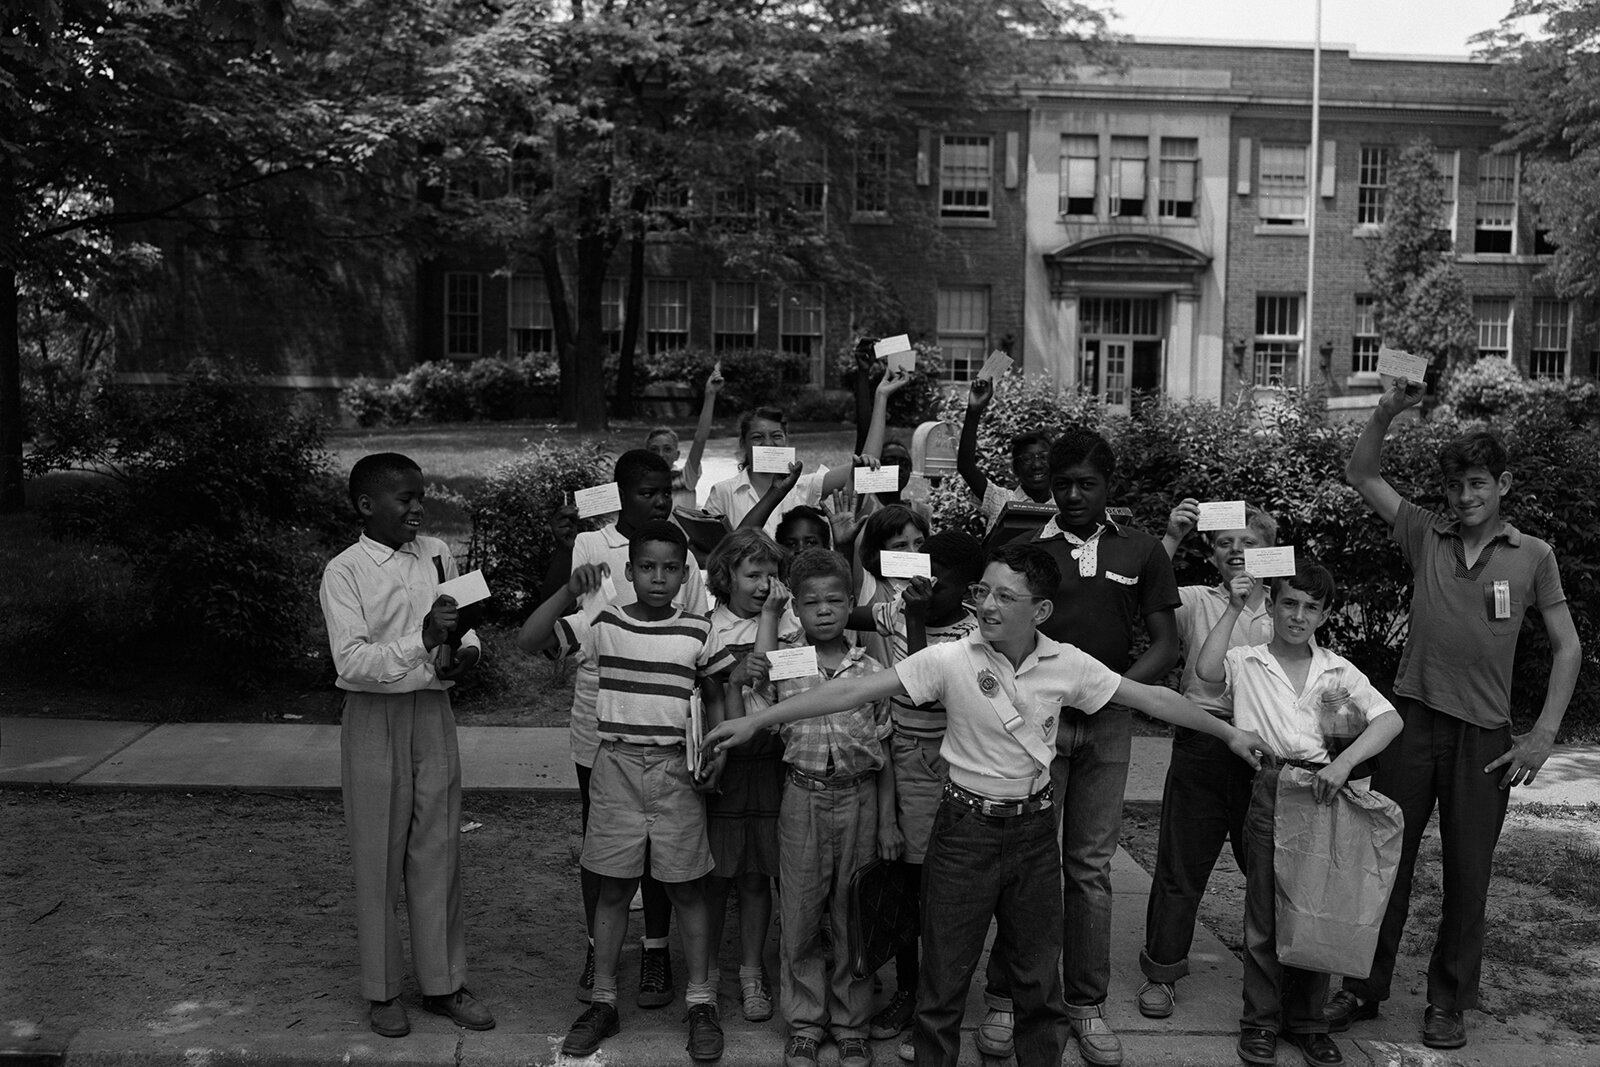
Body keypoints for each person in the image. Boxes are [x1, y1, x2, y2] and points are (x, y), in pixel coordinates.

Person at [703, 543, 1268, 1067]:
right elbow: (850, 691)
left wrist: (1228, 734)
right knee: (942, 982)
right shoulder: (949, 659)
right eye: (983, 592)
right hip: (963, 830)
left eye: (1004, 596)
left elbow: (1152, 698)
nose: (986, 606)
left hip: (1033, 835)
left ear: (1040, 610)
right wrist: (756, 718)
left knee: (1038, 980)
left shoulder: (1068, 663)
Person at [1331, 378, 1580, 1049]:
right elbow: (1361, 472)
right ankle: (1361, 985)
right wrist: (1388, 408)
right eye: (1455, 486)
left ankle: (1449, 1000)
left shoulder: (1533, 555)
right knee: (1386, 857)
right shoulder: (1423, 530)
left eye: (1477, 483)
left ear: (1502, 483)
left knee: (1469, 874)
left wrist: (1543, 735)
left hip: (1485, 740)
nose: (1464, 497)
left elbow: (1568, 644)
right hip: (1411, 722)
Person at [984, 426, 1181, 1067]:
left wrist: (1114, 692)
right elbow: (997, 636)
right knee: (1025, 865)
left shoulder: (1143, 550)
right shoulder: (1026, 551)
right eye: (1062, 483)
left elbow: (1163, 643)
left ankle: (1086, 1007)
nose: (1072, 495)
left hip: (1109, 724)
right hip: (1034, 725)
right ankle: (1008, 998)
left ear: (1108, 488)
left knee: (1090, 870)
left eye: (1086, 485)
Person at [518, 519, 734, 1063]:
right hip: (614, 767)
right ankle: (604, 999)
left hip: (677, 773)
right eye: (646, 567)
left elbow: (719, 694)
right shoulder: (603, 621)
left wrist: (719, 751)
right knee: (613, 887)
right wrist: (570, 590)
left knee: (686, 888)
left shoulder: (698, 631)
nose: (658, 578)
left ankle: (702, 1002)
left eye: (670, 569)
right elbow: (529, 640)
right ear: (629, 570)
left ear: (686, 575)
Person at [1195, 561, 1402, 1067]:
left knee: (1316, 906)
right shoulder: (1246, 660)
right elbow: (1204, 671)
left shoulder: (1337, 669)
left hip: (1324, 788)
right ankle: (1261, 1021)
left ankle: (1308, 1022)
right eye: (1289, 603)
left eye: (1311, 608)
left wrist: (1347, 762)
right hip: (1271, 785)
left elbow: (1390, 720)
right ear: (1272, 605)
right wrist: (1235, 605)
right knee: (1265, 912)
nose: (1298, 615)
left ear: (1325, 615)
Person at [318, 452, 495, 1038]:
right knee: (377, 854)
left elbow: (461, 623)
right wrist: (421, 640)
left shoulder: (437, 553)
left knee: (438, 848)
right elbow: (353, 661)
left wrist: (466, 650)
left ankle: (443, 984)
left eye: (421, 496)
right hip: (374, 718)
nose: (418, 507)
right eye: (404, 498)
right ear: (367, 506)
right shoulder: (344, 571)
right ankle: (382, 989)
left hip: (432, 713)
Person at [554, 449, 709, 1008]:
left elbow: (696, 643)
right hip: (603, 712)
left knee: (665, 855)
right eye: (647, 492)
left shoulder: (676, 549)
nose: (660, 500)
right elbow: (555, 618)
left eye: (665, 490)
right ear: (618, 494)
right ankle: (601, 951)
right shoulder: (594, 542)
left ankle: (656, 950)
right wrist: (566, 560)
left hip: (665, 719)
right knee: (607, 847)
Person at [740, 548, 892, 1067]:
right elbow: (755, 690)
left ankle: (852, 1024)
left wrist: (888, 820)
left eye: (834, 600)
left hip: (859, 798)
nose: (823, 610)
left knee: (853, 914)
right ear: (796, 611)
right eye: (810, 602)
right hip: (802, 797)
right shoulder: (787, 658)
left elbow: (886, 747)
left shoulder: (871, 668)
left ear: (851, 603)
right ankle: (805, 1021)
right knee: (802, 914)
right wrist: (764, 623)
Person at [1137, 499, 1281, 1019]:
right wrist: (1171, 536)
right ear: (1212, 553)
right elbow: (1142, 593)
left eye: (1249, 543)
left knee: (1268, 869)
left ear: (1271, 552)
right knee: (1181, 865)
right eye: (1225, 543)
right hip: (1203, 743)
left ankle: (1279, 976)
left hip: (1265, 753)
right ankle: (1162, 970)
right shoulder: (1197, 599)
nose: (1237, 552)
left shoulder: (1287, 606)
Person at [862, 529, 985, 1060]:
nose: (922, 587)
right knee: (909, 887)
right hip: (905, 762)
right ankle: (910, 994)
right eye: (918, 575)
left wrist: (913, 619)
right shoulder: (893, 612)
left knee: (948, 895)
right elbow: (839, 609)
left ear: (966, 590)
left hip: (958, 762)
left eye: (937, 582)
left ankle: (940, 1004)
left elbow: (925, 688)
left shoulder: (974, 631)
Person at [700, 528, 798, 1023]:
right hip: (726, 764)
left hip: (773, 758)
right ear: (726, 576)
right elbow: (720, 687)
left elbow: (777, 678)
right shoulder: (707, 629)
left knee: (758, 876)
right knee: (718, 875)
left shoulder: (787, 622)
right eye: (752, 574)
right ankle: (709, 975)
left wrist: (772, 619)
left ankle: (752, 971)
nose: (764, 584)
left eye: (772, 574)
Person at [704, 406, 881, 538]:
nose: (768, 444)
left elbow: (863, 467)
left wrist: (881, 397)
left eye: (776, 436)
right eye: (757, 437)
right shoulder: (723, 492)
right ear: (743, 444)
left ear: (787, 440)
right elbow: (707, 550)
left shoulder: (805, 486)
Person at [956, 377, 1053, 533]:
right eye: (1027, 459)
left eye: (1043, 457)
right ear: (1015, 468)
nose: (1037, 465)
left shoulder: (1064, 507)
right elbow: (966, 467)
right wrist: (974, 411)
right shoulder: (1002, 500)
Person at [646, 364, 724, 513]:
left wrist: (710, 394)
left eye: (667, 449)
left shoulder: (686, 478)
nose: (661, 455)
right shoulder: (640, 483)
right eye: (654, 449)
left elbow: (700, 439)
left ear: (677, 455)